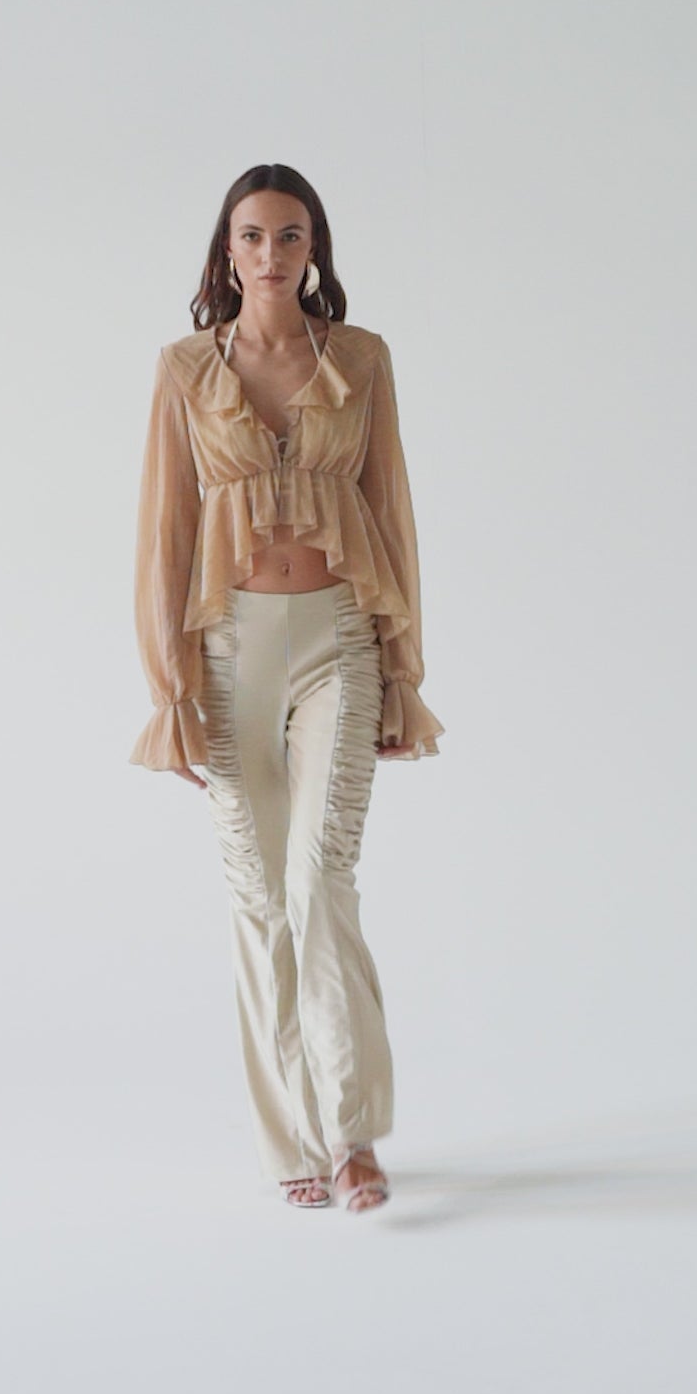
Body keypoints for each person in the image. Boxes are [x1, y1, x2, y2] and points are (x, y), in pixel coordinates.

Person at [130, 163, 444, 1213]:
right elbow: (165, 532)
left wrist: (401, 670)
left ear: (315, 250)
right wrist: (171, 693)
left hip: (339, 640)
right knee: (259, 897)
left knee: (320, 880)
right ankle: (293, 1143)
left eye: (291, 235)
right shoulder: (185, 368)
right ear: (228, 251)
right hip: (228, 653)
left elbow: (391, 510)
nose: (272, 254)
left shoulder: (360, 358)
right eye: (253, 236)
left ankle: (351, 1137)